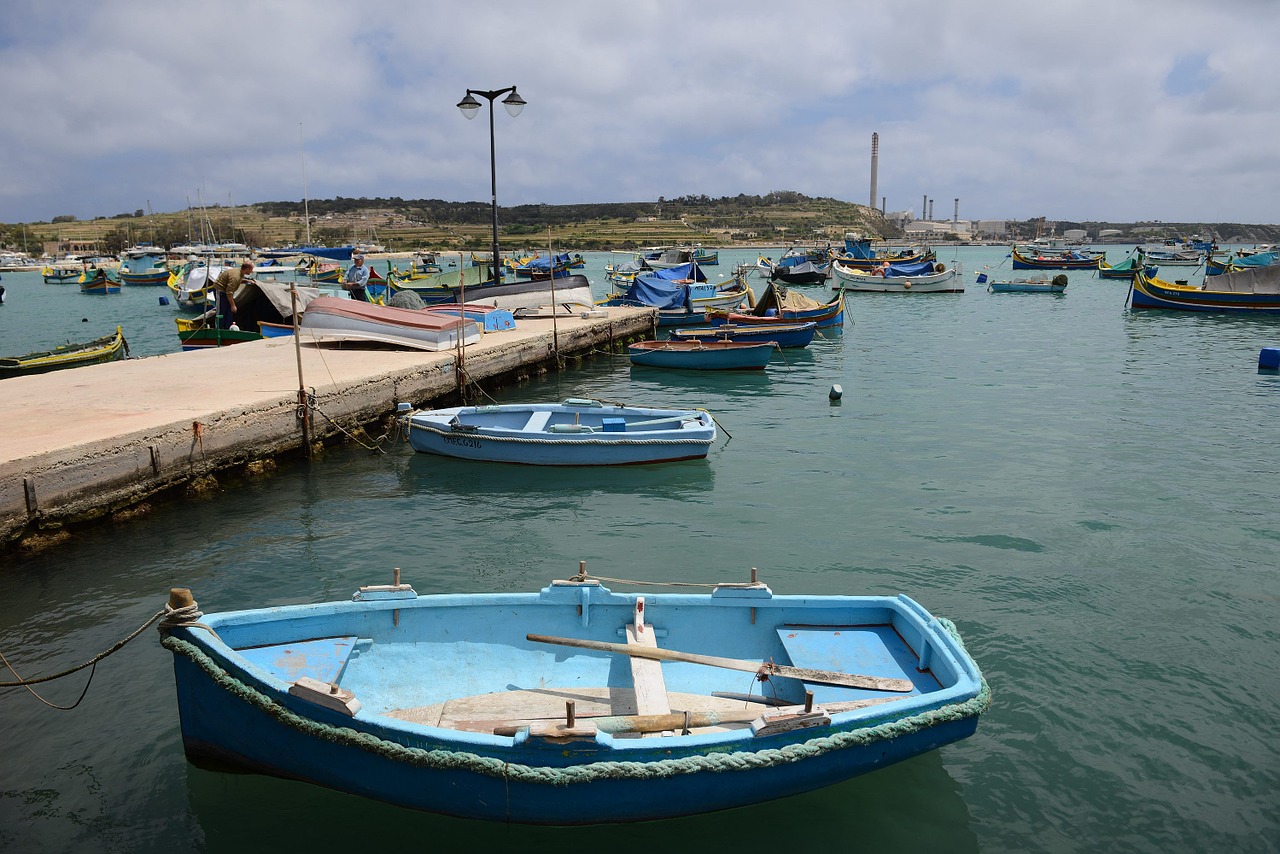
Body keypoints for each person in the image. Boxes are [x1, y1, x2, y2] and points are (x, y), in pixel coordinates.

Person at [211, 261, 255, 330]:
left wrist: (247, 281)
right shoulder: (236, 276)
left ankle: (227, 328)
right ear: (247, 269)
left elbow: (238, 280)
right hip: (220, 291)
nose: (252, 271)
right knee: (221, 311)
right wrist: (233, 305)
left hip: (226, 292)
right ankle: (218, 329)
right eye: (251, 269)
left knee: (228, 312)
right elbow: (229, 292)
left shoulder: (239, 273)